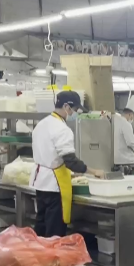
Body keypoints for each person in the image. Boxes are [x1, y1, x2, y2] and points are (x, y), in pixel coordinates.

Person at [30, 91, 104, 238]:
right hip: (54, 184)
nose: (75, 113)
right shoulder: (62, 129)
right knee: (54, 230)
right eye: (74, 109)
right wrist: (94, 171)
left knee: (41, 224)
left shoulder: (42, 124)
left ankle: (39, 251)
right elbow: (70, 161)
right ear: (66, 107)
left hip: (40, 181)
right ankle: (53, 253)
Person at [113, 96, 134, 165]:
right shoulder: (126, 124)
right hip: (126, 160)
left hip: (116, 159)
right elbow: (131, 143)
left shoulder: (115, 120)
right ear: (130, 114)